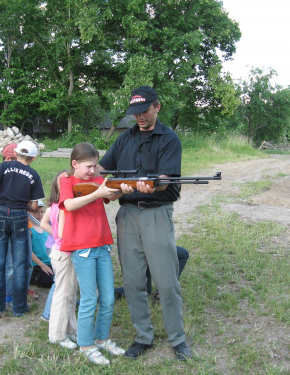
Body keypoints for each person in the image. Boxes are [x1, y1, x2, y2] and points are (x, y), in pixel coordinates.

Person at [98, 85, 192, 361]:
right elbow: (104, 167)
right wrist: (85, 175)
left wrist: (151, 184)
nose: (139, 117)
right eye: (135, 112)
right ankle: (143, 337)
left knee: (166, 281)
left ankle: (177, 339)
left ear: (157, 107)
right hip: (127, 214)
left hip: (155, 213)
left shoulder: (169, 139)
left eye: (144, 111)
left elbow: (165, 180)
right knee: (133, 281)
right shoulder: (125, 139)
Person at [60, 142, 125, 365]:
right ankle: (86, 344)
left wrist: (122, 190)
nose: (92, 171)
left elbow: (111, 195)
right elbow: (68, 205)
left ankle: (102, 338)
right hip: (82, 248)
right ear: (74, 164)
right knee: (90, 299)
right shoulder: (67, 181)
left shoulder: (98, 181)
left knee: (107, 298)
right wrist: (98, 192)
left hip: (102, 245)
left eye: (95, 166)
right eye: (88, 166)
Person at [0, 140, 44, 318]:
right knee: (20, 263)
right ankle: (19, 308)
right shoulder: (34, 175)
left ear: (15, 154)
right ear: (33, 158)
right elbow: (35, 206)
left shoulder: (4, 166)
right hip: (20, 216)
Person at [39, 170, 77, 345]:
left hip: (60, 251)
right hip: (63, 252)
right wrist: (58, 236)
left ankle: (69, 329)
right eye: (64, 182)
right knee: (63, 293)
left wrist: (56, 235)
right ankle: (57, 334)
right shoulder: (63, 207)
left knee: (69, 292)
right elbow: (61, 232)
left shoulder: (55, 206)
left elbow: (45, 224)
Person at [114, 246, 189, 300]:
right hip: (144, 249)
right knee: (183, 254)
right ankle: (163, 292)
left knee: (144, 290)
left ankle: (108, 294)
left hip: (137, 251)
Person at [29, 200, 54, 288]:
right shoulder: (30, 230)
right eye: (36, 212)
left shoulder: (46, 227)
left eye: (42, 211)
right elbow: (28, 251)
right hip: (37, 265)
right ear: (29, 213)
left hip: (49, 261)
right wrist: (41, 265)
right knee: (50, 281)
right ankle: (31, 277)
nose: (39, 214)